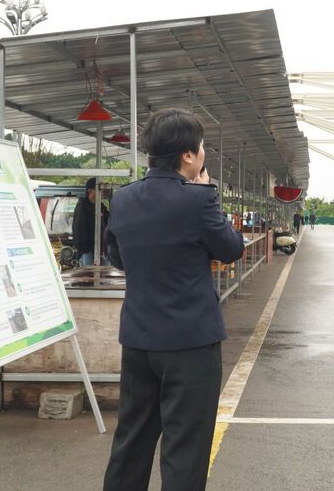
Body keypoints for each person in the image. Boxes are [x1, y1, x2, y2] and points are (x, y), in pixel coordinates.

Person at [102, 108, 245, 491]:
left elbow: (116, 256)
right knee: (185, 449)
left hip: (138, 339)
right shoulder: (197, 199)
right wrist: (206, 192)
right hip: (190, 343)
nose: (202, 154)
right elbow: (232, 248)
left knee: (131, 442)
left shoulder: (123, 198)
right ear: (187, 155)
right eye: (200, 147)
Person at [72, 177, 98, 266]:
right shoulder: (82, 207)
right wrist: (86, 249)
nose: (103, 191)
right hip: (88, 252)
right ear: (91, 191)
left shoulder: (100, 207)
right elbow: (79, 230)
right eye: (99, 188)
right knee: (89, 277)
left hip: (100, 251)